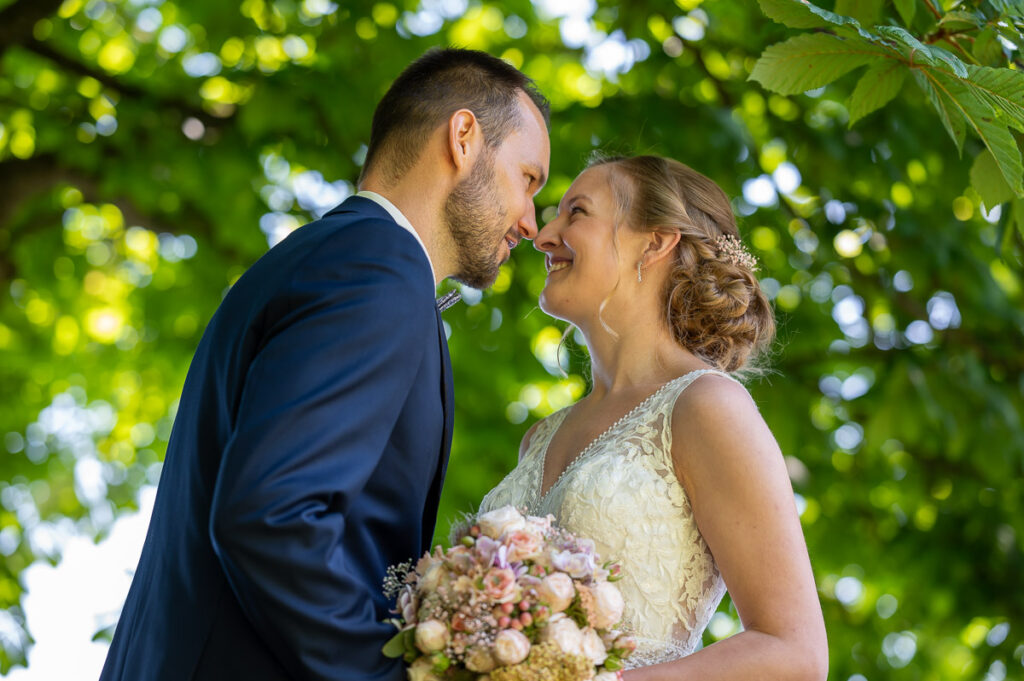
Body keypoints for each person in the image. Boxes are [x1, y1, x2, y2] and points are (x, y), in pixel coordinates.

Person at [100, 48, 550, 681]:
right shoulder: (378, 269)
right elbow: (271, 515)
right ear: (465, 137)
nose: (532, 223)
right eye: (528, 179)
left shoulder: (327, 256)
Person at [481, 155, 828, 680]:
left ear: (655, 243)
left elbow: (796, 654)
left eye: (576, 213)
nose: (543, 235)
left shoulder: (707, 407)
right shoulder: (540, 437)